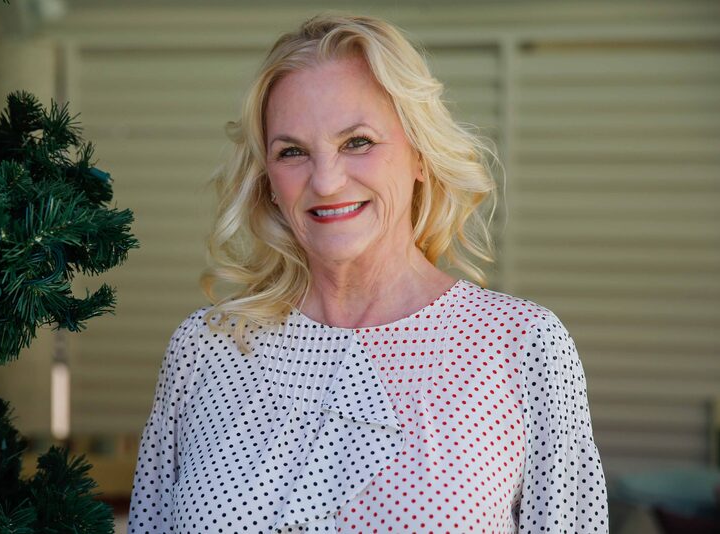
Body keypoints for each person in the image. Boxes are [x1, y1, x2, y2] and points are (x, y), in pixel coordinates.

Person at [128, 13, 608, 534]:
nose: (327, 181)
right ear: (268, 181)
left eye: (357, 141)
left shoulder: (521, 346)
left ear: (420, 156)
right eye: (292, 152)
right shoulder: (205, 350)